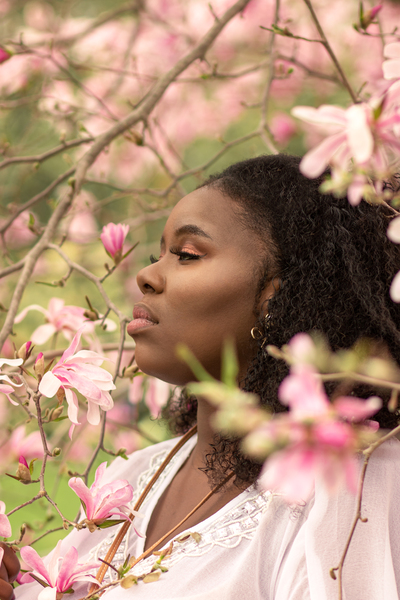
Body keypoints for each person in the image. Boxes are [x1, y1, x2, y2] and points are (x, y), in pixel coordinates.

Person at [1, 153, 400, 599]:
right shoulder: (129, 480)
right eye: (159, 254)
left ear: (278, 297)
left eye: (187, 255)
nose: (148, 276)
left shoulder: (353, 488)